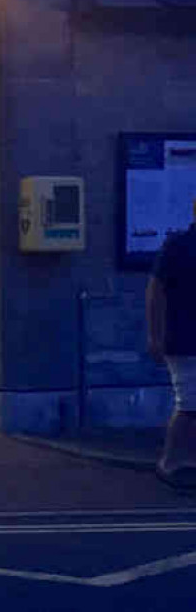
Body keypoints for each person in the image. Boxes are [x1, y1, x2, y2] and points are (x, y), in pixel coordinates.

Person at [147, 199, 196, 490]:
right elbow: (155, 292)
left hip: (181, 337)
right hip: (184, 339)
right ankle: (169, 461)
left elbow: (154, 292)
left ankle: (181, 459)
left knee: (191, 403)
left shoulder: (176, 246)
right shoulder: (178, 247)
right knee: (189, 403)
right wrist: (155, 336)